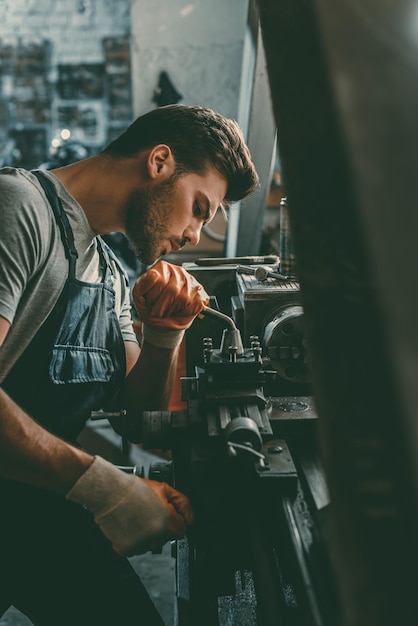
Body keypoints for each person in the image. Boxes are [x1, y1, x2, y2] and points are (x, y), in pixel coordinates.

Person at [0, 104, 259, 625]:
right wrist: (105, 487)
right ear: (159, 161)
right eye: (199, 208)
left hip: (36, 507)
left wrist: (166, 333)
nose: (194, 234)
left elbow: (140, 416)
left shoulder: (111, 276)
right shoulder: (19, 209)